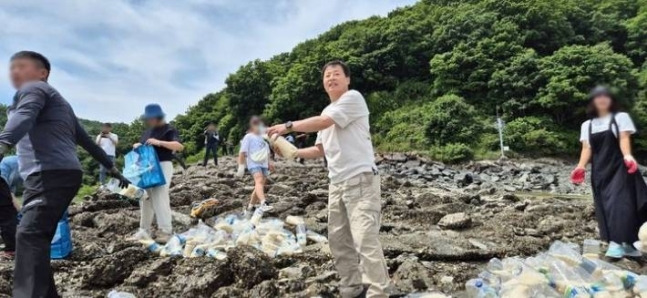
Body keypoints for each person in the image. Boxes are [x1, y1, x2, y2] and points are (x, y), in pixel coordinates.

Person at [0, 51, 130, 298]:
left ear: (42, 73)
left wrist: (3, 143)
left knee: (29, 236)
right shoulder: (61, 105)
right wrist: (114, 170)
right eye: (11, 67)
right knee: (35, 239)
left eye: (22, 66)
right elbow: (88, 143)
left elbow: (25, 115)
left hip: (50, 174)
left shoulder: (35, 89)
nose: (15, 72)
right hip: (57, 175)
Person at [267, 60, 389, 298]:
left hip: (361, 179)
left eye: (336, 74)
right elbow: (320, 149)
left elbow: (324, 122)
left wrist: (288, 126)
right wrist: (294, 153)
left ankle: (378, 293)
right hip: (337, 183)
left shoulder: (353, 98)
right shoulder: (326, 111)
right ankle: (351, 289)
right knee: (338, 240)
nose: (331, 78)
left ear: (347, 79)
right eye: (327, 76)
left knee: (365, 238)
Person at [570, 86, 647, 259]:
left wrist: (628, 156)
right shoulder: (587, 125)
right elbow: (586, 148)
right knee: (604, 206)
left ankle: (621, 244)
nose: (602, 99)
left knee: (622, 206)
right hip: (600, 172)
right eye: (598, 96)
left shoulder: (620, 118)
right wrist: (581, 167)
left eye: (606, 96)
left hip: (621, 169)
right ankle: (621, 244)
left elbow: (624, 138)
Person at [129, 103, 184, 244]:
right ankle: (144, 231)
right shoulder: (147, 132)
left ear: (157, 116)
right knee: (145, 198)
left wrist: (159, 142)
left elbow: (179, 146)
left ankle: (165, 230)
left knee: (160, 195)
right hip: (147, 166)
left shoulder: (169, 129)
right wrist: (137, 146)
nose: (149, 121)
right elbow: (142, 147)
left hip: (163, 164)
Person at [235, 116, 274, 213]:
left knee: (259, 184)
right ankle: (263, 202)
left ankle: (250, 207)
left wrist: (270, 163)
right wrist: (241, 166)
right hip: (253, 163)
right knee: (259, 181)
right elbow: (242, 152)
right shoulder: (248, 136)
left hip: (264, 164)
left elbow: (267, 152)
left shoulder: (264, 138)